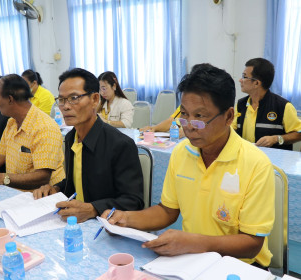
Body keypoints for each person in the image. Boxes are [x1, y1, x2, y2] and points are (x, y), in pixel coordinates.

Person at [103, 64, 275, 269]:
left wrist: (194, 243)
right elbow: (167, 211)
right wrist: (127, 218)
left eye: (200, 117)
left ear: (229, 116)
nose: (190, 125)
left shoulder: (255, 163)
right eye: (184, 114)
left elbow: (252, 244)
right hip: (193, 260)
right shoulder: (181, 152)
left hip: (240, 266)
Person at [33, 68, 144, 223]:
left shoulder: (120, 144)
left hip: (106, 227)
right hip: (76, 222)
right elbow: (77, 180)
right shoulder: (72, 137)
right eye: (62, 100)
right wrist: (55, 188)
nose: (65, 106)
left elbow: (134, 202)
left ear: (94, 99)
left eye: (74, 98)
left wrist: (93, 209)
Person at [232, 58, 301, 150]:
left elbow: (298, 134)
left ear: (256, 83)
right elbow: (231, 130)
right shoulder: (240, 104)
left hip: (274, 161)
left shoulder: (283, 106)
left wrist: (276, 138)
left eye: (244, 77)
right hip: (247, 157)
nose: (240, 80)